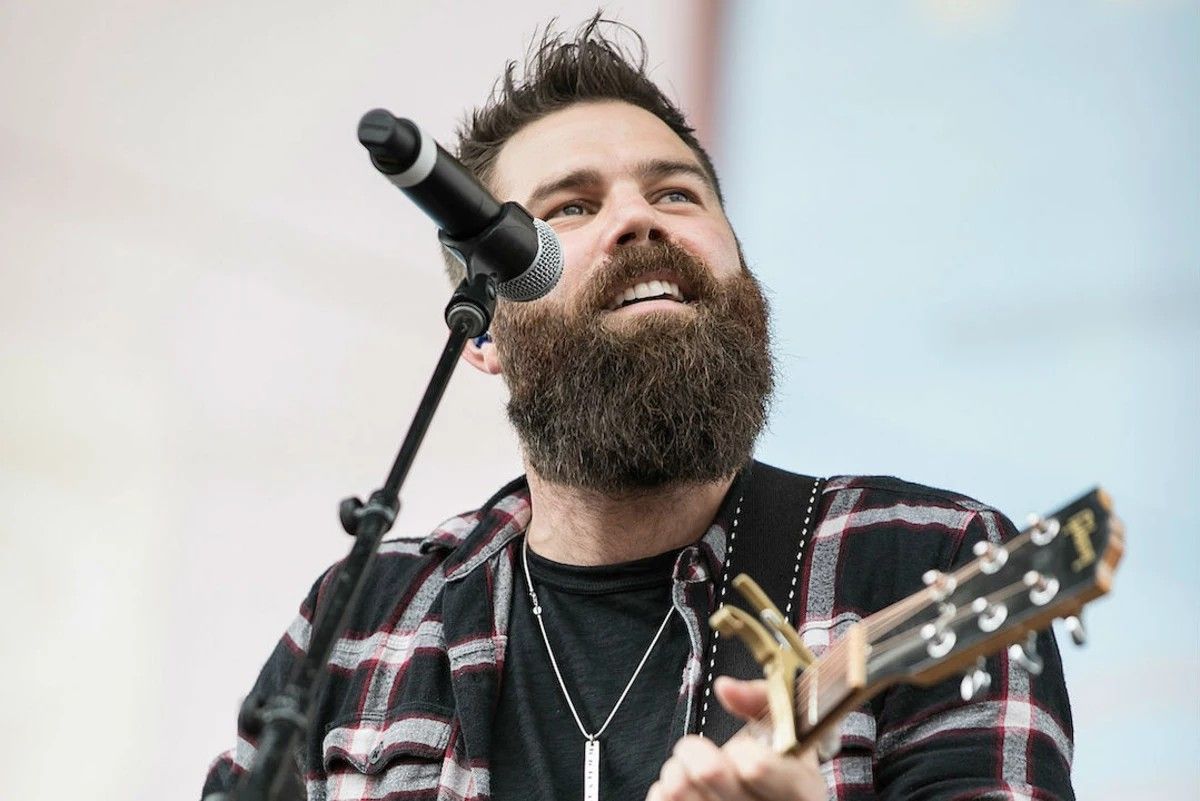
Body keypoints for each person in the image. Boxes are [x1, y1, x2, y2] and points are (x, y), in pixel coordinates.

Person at [203, 16, 1074, 801]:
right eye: (571, 207)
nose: (637, 220)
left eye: (676, 194)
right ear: (482, 336)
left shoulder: (926, 560)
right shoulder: (363, 621)